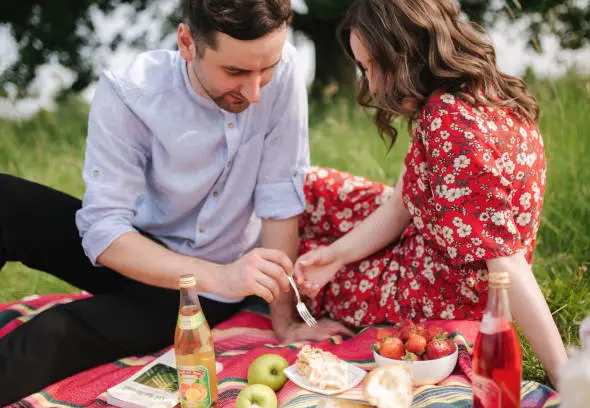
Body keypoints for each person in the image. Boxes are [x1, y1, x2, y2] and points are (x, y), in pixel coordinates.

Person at [0, 0, 352, 404]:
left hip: (201, 296)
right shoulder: (130, 91)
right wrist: (222, 276)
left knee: (49, 335)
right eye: (235, 72)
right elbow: (104, 230)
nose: (255, 92)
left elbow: (278, 197)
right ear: (187, 42)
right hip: (142, 253)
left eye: (265, 70)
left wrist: (286, 322)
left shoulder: (283, 70)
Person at [293, 0, 568, 386]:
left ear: (407, 50)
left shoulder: (449, 124)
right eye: (363, 68)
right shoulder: (480, 90)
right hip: (431, 239)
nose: (371, 86)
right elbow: (403, 203)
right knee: (310, 189)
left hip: (445, 286)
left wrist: (564, 374)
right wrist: (335, 256)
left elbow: (505, 261)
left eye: (375, 66)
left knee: (306, 252)